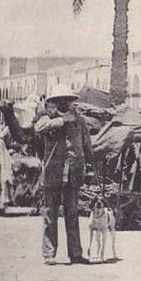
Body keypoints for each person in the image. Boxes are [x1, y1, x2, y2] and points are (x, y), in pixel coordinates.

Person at [34, 85, 92, 265]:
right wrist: (61, 121)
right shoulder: (47, 119)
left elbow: (86, 143)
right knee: (50, 214)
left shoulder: (79, 121)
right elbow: (38, 128)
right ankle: (49, 254)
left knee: (72, 214)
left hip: (73, 173)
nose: (63, 103)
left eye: (66, 100)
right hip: (53, 173)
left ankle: (75, 254)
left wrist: (89, 163)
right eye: (59, 100)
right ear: (54, 102)